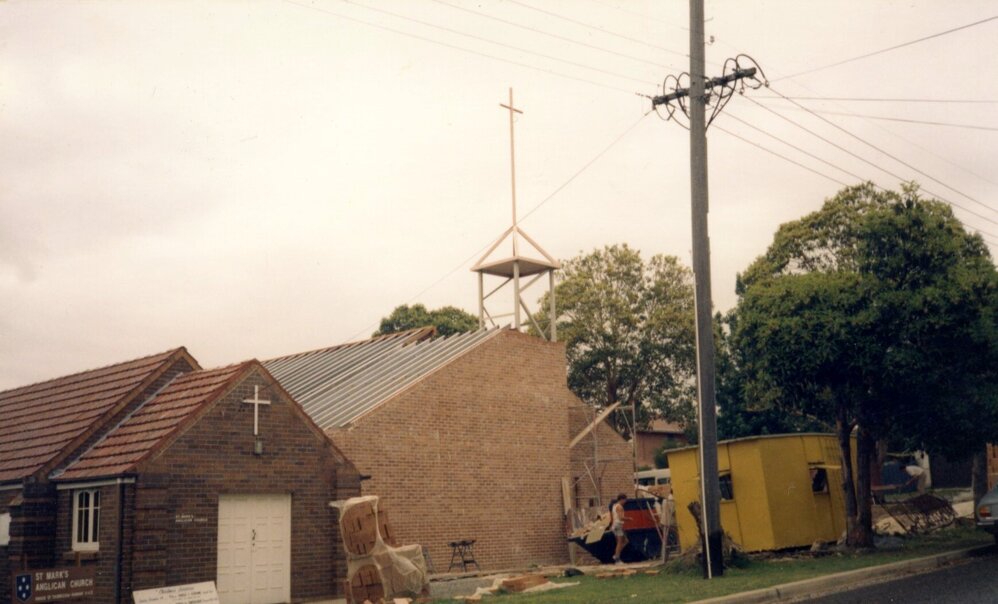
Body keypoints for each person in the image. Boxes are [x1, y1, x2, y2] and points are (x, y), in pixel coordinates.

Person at [611, 493, 628, 564]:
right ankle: (617, 558)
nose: (625, 502)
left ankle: (616, 555)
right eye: (625, 500)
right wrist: (629, 519)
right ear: (621, 499)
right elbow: (621, 518)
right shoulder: (620, 507)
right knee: (620, 542)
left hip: (615, 525)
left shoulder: (614, 506)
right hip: (618, 524)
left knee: (624, 541)